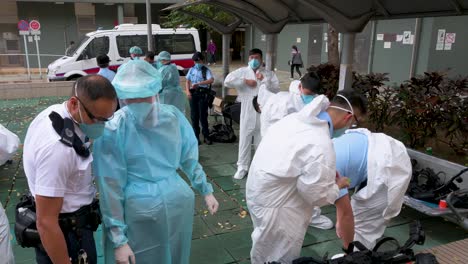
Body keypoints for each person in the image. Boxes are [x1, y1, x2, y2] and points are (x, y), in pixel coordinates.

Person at [93, 59, 219, 264]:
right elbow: (189, 158)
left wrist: (119, 240)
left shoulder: (114, 128)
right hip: (177, 199)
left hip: (140, 208)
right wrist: (205, 190)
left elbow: (111, 187)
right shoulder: (172, 117)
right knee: (173, 253)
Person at [246, 90, 367, 264]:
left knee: (264, 247)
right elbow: (315, 194)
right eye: (354, 123)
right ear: (348, 118)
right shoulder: (320, 143)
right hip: (279, 209)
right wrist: (337, 186)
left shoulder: (295, 119)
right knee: (278, 256)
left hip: (260, 193)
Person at [23, 75, 117, 264]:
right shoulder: (58, 150)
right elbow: (46, 223)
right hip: (67, 234)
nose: (102, 125)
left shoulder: (56, 113)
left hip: (73, 226)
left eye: (107, 118)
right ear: (75, 104)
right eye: (97, 119)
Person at [260, 71, 334, 230]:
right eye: (307, 94)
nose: (309, 98)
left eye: (312, 95)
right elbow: (273, 129)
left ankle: (311, 215)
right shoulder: (284, 102)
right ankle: (284, 216)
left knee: (304, 180)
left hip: (301, 148)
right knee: (284, 184)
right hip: (281, 148)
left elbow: (324, 102)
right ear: (299, 87)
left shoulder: (315, 100)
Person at [333, 128, 412, 250]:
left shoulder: (326, 171)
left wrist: (348, 250)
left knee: (363, 225)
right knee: (350, 216)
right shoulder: (322, 146)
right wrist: (340, 219)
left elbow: (346, 215)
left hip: (388, 168)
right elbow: (347, 182)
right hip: (378, 150)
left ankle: (358, 256)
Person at [224, 48, 280, 179]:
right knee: (245, 138)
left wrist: (264, 80)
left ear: (261, 59)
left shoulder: (269, 74)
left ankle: (260, 167)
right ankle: (242, 167)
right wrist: (244, 81)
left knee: (262, 140)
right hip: (247, 108)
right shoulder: (242, 72)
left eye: (257, 58)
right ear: (248, 59)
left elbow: (276, 89)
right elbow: (227, 81)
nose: (254, 60)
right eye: (251, 58)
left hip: (263, 110)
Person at [185, 51, 215, 145]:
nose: (196, 64)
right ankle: (196, 137)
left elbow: (211, 80)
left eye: (198, 61)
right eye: (195, 62)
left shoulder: (206, 70)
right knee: (194, 117)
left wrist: (199, 84)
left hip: (203, 95)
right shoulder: (191, 69)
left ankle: (206, 136)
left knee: (203, 117)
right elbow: (187, 81)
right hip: (193, 95)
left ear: (202, 60)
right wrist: (188, 91)